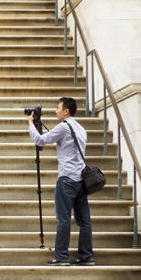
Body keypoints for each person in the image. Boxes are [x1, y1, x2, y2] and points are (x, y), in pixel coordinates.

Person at [26, 97, 93, 266]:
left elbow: (40, 140)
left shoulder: (64, 127)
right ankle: (86, 256)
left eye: (58, 108)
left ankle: (62, 256)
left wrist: (30, 124)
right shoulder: (81, 128)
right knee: (84, 221)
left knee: (63, 219)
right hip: (81, 180)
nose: (56, 111)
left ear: (66, 111)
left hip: (67, 179)